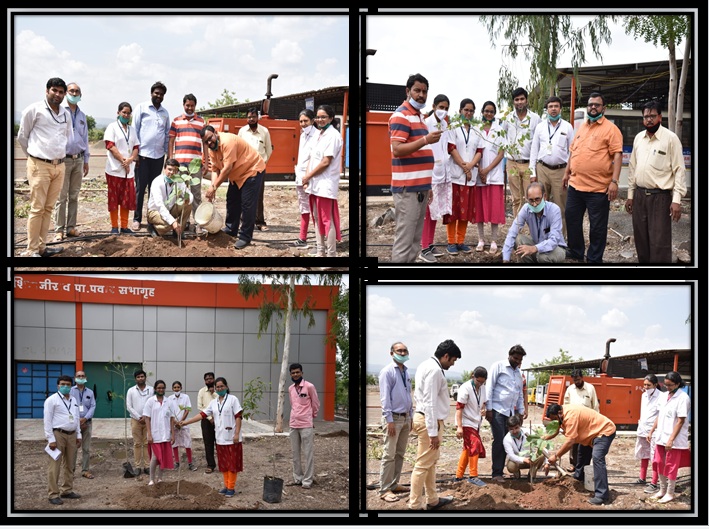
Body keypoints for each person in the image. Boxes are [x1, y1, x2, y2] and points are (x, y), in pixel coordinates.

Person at [389, 73, 443, 263]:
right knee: (404, 241)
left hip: (419, 189)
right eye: (417, 90)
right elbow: (397, 149)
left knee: (414, 240)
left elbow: (421, 152)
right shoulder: (401, 116)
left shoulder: (419, 117)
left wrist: (427, 186)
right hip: (407, 189)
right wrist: (426, 139)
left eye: (424, 91)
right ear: (408, 91)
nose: (421, 95)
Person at [563, 92, 623, 263]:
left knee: (597, 227)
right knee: (572, 219)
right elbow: (573, 151)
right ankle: (575, 251)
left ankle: (594, 258)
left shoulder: (611, 130)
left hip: (598, 189)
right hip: (576, 185)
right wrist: (567, 172)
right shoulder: (582, 127)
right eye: (590, 105)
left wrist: (614, 182)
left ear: (603, 108)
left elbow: (617, 155)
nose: (593, 107)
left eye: (597, 105)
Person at [625, 100, 687, 263]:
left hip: (660, 198)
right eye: (646, 116)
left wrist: (676, 201)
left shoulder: (671, 139)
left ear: (660, 117)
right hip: (639, 196)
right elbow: (633, 167)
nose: (649, 119)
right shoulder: (639, 138)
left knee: (659, 242)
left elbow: (679, 170)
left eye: (652, 116)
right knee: (641, 240)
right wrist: (630, 195)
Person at [17, 77, 73, 257]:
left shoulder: (65, 113)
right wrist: (34, 158)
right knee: (37, 208)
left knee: (48, 208)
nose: (57, 94)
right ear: (47, 91)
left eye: (61, 92)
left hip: (59, 166)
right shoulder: (34, 110)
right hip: (39, 165)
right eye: (54, 90)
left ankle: (42, 246)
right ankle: (32, 249)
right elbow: (22, 137)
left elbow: (66, 137)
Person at [408, 339, 461, 511]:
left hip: (426, 418)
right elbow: (430, 402)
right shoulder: (435, 370)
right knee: (423, 464)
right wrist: (432, 432)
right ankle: (414, 505)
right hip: (429, 420)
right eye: (452, 360)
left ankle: (432, 499)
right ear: (446, 356)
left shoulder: (426, 365)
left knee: (429, 463)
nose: (452, 364)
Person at [201, 125, 266, 250]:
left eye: (210, 138)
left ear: (215, 132)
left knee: (247, 205)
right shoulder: (212, 149)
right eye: (206, 141)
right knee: (231, 200)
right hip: (237, 175)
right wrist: (212, 187)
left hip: (251, 170)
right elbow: (215, 169)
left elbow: (226, 169)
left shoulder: (227, 142)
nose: (209, 142)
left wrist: (214, 187)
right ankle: (231, 229)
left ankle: (245, 237)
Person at [180, 377, 243, 497]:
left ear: (226, 387)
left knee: (232, 463)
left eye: (221, 386)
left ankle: (231, 487)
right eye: (217, 387)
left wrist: (236, 433)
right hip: (220, 438)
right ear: (215, 388)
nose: (219, 388)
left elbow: (238, 416)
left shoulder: (233, 399)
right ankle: (225, 485)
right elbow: (202, 414)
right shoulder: (213, 403)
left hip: (232, 438)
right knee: (224, 464)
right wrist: (186, 422)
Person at [545, 403, 616, 505]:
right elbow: (556, 430)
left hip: (604, 431)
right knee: (582, 452)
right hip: (590, 433)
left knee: (597, 458)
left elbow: (570, 441)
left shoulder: (570, 416)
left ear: (559, 413)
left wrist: (556, 456)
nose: (555, 421)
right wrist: (543, 438)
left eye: (555, 418)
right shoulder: (562, 413)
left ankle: (602, 495)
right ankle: (579, 477)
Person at [529, 95, 575, 239]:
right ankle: (542, 237)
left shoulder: (567, 127)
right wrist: (532, 172)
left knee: (561, 207)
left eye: (556, 106)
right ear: (547, 109)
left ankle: (559, 239)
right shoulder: (540, 127)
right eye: (550, 107)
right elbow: (534, 150)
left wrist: (569, 172)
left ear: (560, 108)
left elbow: (572, 151)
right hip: (542, 169)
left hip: (561, 171)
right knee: (541, 204)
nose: (553, 109)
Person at [302, 104, 344, 257]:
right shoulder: (319, 134)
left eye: (323, 117)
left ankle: (331, 255)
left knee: (327, 221)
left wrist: (308, 176)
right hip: (315, 184)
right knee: (317, 219)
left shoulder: (333, 136)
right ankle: (320, 252)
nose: (320, 120)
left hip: (325, 185)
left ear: (331, 118)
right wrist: (306, 177)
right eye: (318, 117)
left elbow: (325, 162)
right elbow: (312, 158)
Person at [444, 98, 483, 257]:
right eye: (466, 110)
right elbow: (451, 148)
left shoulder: (477, 130)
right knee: (453, 211)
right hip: (456, 176)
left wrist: (470, 166)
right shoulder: (453, 127)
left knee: (465, 211)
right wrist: (464, 167)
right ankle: (451, 242)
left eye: (471, 111)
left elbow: (479, 151)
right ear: (460, 110)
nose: (468, 113)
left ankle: (461, 241)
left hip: (470, 177)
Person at [377, 342, 414, 502]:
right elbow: (385, 398)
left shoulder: (405, 372)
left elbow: (408, 395)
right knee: (389, 455)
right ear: (392, 353)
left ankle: (394, 484)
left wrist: (411, 417)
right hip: (394, 418)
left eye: (405, 350)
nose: (403, 352)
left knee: (400, 454)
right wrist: (389, 420)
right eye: (399, 350)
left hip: (405, 418)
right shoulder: (387, 372)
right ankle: (384, 489)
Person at [53, 82, 90, 241]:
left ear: (80, 95)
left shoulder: (82, 116)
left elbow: (86, 138)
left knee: (74, 195)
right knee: (61, 197)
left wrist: (86, 160)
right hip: (63, 160)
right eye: (71, 91)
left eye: (77, 92)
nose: (74, 94)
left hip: (79, 160)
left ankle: (71, 227)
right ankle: (59, 230)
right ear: (66, 93)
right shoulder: (60, 113)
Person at [647, 371, 691, 504]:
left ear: (678, 384)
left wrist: (671, 439)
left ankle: (670, 493)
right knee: (659, 462)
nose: (667, 387)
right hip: (660, 436)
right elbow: (659, 415)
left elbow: (680, 421)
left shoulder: (683, 398)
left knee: (671, 465)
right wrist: (652, 430)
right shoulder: (664, 396)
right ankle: (661, 490)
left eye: (670, 385)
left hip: (674, 439)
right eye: (665, 384)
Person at [485, 344, 527, 482]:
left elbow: (519, 393)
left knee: (513, 438)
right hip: (497, 410)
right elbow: (489, 387)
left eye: (520, 360)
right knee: (499, 440)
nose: (517, 362)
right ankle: (497, 473)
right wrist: (489, 409)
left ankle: (514, 467)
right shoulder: (498, 366)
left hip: (511, 412)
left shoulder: (519, 374)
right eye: (515, 358)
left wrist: (521, 412)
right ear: (509, 356)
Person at [133, 81, 170, 231]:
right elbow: (134, 131)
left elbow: (167, 134)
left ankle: (151, 219)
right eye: (156, 93)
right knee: (140, 189)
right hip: (143, 156)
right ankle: (136, 219)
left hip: (158, 157)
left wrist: (167, 154)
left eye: (161, 94)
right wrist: (135, 154)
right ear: (151, 93)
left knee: (155, 189)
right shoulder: (141, 108)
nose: (158, 96)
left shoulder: (165, 113)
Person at [419, 94, 452, 262]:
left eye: (446, 108)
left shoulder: (445, 123)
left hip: (443, 172)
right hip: (431, 173)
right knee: (427, 211)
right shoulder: (426, 123)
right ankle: (423, 247)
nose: (443, 111)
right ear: (433, 106)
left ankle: (430, 243)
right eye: (441, 107)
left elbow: (445, 147)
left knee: (435, 212)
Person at [168, 93, 207, 235]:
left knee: (196, 195)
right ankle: (183, 223)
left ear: (195, 106)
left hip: (195, 165)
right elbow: (171, 141)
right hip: (180, 165)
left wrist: (205, 161)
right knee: (181, 194)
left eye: (192, 106)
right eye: (187, 105)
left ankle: (198, 223)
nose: (189, 108)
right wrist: (170, 160)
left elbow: (205, 143)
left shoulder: (202, 122)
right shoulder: (176, 121)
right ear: (183, 105)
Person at [502, 182, 567, 263]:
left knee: (542, 257)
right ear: (527, 199)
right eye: (531, 201)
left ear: (544, 197)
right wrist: (506, 259)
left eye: (537, 199)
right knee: (518, 239)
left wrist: (534, 248)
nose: (534, 204)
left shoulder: (554, 210)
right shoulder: (526, 209)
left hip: (556, 248)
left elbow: (554, 240)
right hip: (537, 245)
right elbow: (512, 233)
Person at [501, 87, 541, 220]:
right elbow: (502, 136)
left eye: (522, 99)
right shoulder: (508, 118)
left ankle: (531, 227)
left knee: (530, 197)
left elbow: (538, 141)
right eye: (516, 99)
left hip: (529, 164)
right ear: (513, 102)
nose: (519, 102)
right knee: (516, 198)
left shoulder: (535, 118)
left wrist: (534, 166)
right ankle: (517, 227)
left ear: (527, 101)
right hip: (512, 163)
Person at [474, 101, 508, 255]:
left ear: (495, 114)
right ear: (482, 112)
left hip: (494, 176)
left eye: (491, 111)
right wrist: (480, 170)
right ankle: (481, 239)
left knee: (494, 209)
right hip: (479, 175)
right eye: (486, 111)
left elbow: (501, 154)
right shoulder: (476, 129)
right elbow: (472, 152)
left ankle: (494, 240)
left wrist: (487, 170)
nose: (488, 114)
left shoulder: (499, 130)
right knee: (480, 209)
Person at [43, 375, 82, 505]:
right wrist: (50, 439)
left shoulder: (74, 399)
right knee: (55, 465)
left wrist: (79, 435)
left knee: (70, 464)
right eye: (62, 384)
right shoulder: (51, 400)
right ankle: (53, 494)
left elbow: (76, 418)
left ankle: (67, 490)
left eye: (68, 384)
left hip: (72, 435)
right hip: (58, 435)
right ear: (58, 386)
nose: (65, 386)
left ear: (71, 386)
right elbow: (47, 421)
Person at [103, 101, 140, 235]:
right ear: (118, 113)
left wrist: (130, 160)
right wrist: (123, 160)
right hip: (114, 169)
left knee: (126, 199)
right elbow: (110, 145)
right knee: (114, 198)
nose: (126, 115)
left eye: (128, 113)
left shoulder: (132, 130)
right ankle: (114, 226)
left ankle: (124, 226)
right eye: (124, 112)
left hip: (129, 170)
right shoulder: (112, 127)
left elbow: (136, 147)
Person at [238, 107, 273, 231]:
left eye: (253, 116)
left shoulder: (264, 131)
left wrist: (263, 163)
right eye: (249, 117)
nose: (251, 119)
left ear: (257, 118)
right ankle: (245, 221)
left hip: (259, 169)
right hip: (245, 169)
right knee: (244, 195)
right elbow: (238, 149)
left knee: (258, 195)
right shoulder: (242, 131)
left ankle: (260, 222)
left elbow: (269, 150)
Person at [287, 363, 321, 489]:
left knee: (308, 454)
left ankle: (307, 481)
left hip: (306, 424)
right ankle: (297, 478)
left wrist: (310, 417)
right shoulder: (291, 389)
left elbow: (316, 403)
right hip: (293, 424)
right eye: (293, 373)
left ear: (302, 373)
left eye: (297, 372)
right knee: (295, 453)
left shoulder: (309, 386)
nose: (295, 375)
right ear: (290, 374)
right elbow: (293, 404)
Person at [561, 369, 599, 474]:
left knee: (586, 444)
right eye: (574, 380)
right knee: (573, 443)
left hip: (587, 422)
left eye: (578, 379)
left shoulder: (590, 388)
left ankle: (584, 465)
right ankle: (573, 464)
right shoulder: (570, 389)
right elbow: (565, 404)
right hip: (573, 420)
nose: (576, 382)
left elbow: (595, 406)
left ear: (582, 378)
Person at [454, 366, 487, 487]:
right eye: (478, 381)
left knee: (468, 448)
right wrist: (459, 427)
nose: (480, 384)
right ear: (473, 376)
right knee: (475, 444)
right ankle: (473, 476)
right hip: (466, 422)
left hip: (476, 422)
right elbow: (459, 408)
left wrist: (484, 409)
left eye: (483, 382)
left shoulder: (483, 388)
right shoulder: (465, 388)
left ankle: (458, 476)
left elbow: (483, 403)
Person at [146, 158, 193, 238]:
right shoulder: (157, 182)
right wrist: (173, 222)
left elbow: (189, 194)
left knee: (188, 205)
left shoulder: (179, 181)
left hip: (170, 209)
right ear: (164, 169)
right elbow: (159, 205)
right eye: (169, 169)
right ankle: (153, 228)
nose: (172, 173)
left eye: (175, 170)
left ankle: (178, 231)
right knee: (169, 225)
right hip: (155, 211)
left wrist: (187, 198)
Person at [142, 379, 175, 486]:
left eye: (162, 388)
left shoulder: (169, 401)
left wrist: (173, 434)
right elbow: (147, 418)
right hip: (155, 434)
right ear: (155, 389)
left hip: (165, 434)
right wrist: (149, 434)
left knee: (164, 456)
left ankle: (160, 478)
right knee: (155, 457)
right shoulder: (150, 401)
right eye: (159, 388)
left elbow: (171, 419)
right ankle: (151, 479)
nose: (161, 389)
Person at [293, 109, 317, 248]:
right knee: (304, 207)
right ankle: (302, 238)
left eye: (305, 121)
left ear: (312, 121)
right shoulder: (302, 136)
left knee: (315, 209)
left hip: (312, 178)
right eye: (301, 121)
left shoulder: (318, 136)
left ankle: (321, 241)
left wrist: (308, 176)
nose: (303, 124)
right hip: (300, 176)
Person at [635, 374, 662, 493]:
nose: (646, 387)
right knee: (643, 454)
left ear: (655, 385)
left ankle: (654, 482)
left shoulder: (661, 397)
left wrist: (651, 431)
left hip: (654, 431)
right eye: (644, 385)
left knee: (654, 456)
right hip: (643, 428)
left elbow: (659, 416)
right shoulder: (643, 395)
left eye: (648, 385)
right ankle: (642, 478)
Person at [126, 369, 154, 475]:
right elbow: (129, 406)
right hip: (135, 420)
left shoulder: (151, 390)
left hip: (148, 420)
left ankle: (147, 466)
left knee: (147, 443)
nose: (140, 378)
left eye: (142, 376)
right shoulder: (131, 390)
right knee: (137, 444)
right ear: (135, 379)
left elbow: (152, 404)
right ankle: (137, 467)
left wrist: (146, 416)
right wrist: (138, 417)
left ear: (145, 378)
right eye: (138, 377)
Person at [70, 369, 95, 479]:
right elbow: (68, 406)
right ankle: (71, 471)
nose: (80, 377)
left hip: (87, 423)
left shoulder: (90, 392)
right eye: (78, 376)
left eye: (82, 376)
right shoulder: (70, 391)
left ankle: (85, 470)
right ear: (75, 378)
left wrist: (85, 418)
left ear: (86, 378)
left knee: (86, 449)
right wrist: (77, 420)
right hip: (74, 424)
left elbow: (93, 406)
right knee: (73, 448)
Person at [169, 380, 197, 471]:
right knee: (175, 444)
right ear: (172, 388)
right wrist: (175, 423)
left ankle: (190, 463)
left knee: (187, 443)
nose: (176, 389)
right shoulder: (169, 398)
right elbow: (169, 412)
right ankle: (176, 462)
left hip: (183, 424)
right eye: (175, 387)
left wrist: (181, 421)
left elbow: (187, 409)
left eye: (178, 387)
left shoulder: (186, 397)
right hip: (174, 424)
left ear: (181, 388)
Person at [197, 372, 218, 474]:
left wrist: (213, 393)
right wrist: (209, 418)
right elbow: (200, 407)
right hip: (206, 421)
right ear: (204, 381)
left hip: (219, 420)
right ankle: (211, 465)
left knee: (220, 443)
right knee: (208, 443)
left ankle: (223, 464)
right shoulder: (201, 391)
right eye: (207, 379)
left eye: (210, 378)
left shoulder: (219, 390)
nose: (209, 380)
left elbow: (222, 401)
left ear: (214, 379)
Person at [503, 414, 532, 479]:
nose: (515, 431)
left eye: (516, 428)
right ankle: (516, 476)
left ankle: (532, 475)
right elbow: (511, 455)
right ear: (508, 429)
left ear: (520, 425)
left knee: (541, 457)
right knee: (511, 466)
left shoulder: (529, 432)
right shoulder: (507, 439)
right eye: (511, 429)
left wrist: (547, 463)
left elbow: (540, 445)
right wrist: (523, 459)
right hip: (518, 461)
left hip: (530, 459)